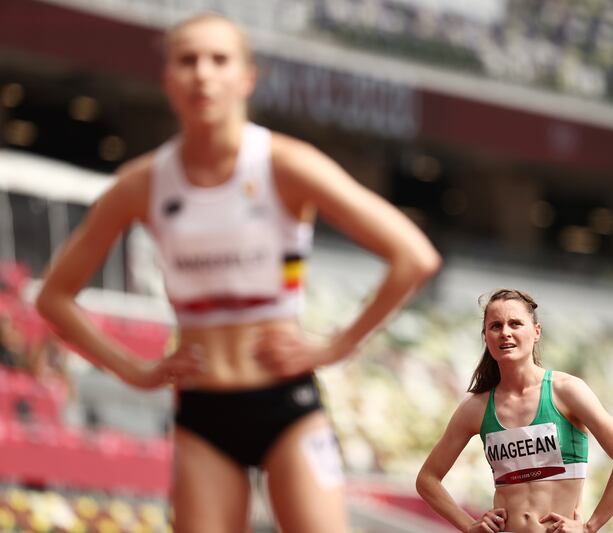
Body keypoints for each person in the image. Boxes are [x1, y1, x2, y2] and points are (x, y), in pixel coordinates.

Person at [36, 12, 441, 533]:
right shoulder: (142, 183)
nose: (203, 74)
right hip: (202, 415)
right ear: (168, 80)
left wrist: (336, 346)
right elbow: (54, 297)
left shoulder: (286, 163)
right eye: (188, 61)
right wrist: (134, 370)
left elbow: (415, 256)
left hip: (288, 407)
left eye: (219, 60)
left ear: (247, 78)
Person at [417, 289, 613, 533]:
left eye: (515, 323)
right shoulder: (475, 408)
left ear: (536, 332)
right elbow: (427, 479)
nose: (505, 332)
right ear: (486, 337)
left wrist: (590, 527)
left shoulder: (566, 391)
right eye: (495, 326)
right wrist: (469, 526)